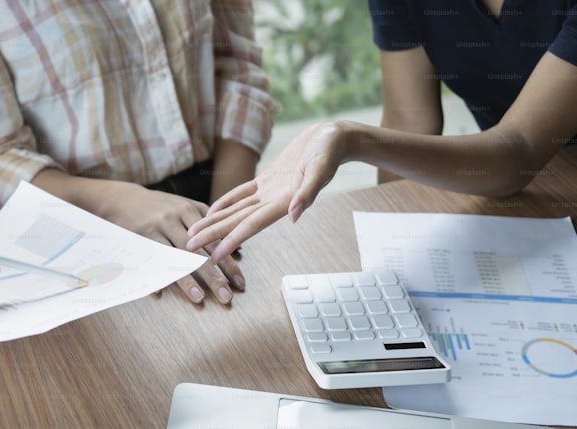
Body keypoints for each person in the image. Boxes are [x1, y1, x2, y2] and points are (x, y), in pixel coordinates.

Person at [0, 0, 278, 305]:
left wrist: (222, 227)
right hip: (76, 238)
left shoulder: (220, 222)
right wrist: (120, 205)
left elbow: (238, 71)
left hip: (215, 206)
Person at [186, 0, 577, 262]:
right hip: (528, 212)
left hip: (542, 194)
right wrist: (391, 260)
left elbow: (519, 151)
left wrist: (350, 138)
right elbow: (410, 121)